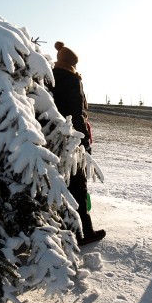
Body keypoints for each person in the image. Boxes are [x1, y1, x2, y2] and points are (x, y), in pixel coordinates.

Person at [50, 41, 106, 246]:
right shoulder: (72, 80)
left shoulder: (49, 78)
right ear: (72, 63)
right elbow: (76, 114)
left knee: (61, 185)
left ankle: (61, 226)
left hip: (54, 139)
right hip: (73, 142)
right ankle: (83, 232)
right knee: (78, 186)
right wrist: (85, 146)